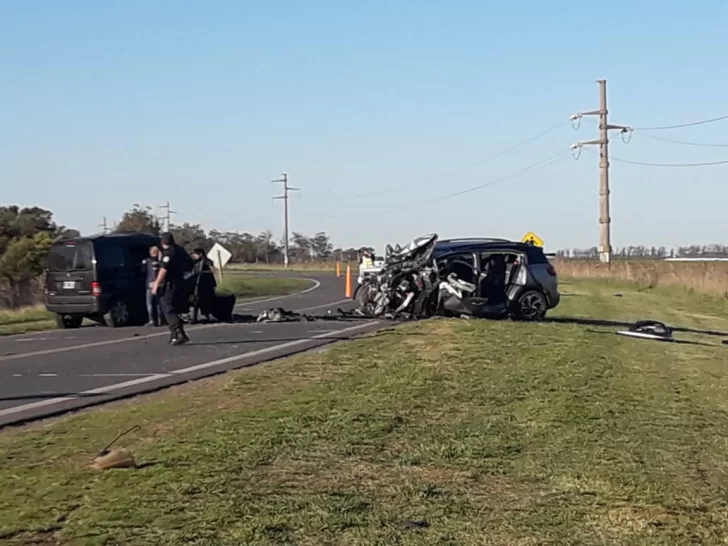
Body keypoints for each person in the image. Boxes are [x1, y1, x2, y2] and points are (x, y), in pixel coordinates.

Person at [151, 232, 190, 345]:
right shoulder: (180, 250)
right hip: (183, 282)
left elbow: (164, 270)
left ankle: (178, 331)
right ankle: (175, 334)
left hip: (171, 283)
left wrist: (156, 284)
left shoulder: (169, 253)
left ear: (162, 242)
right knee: (172, 307)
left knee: (168, 307)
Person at [190, 248, 217, 323]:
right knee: (196, 300)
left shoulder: (207, 261)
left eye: (195, 254)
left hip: (207, 284)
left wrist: (203, 272)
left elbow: (213, 271)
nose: (194, 256)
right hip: (198, 284)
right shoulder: (195, 262)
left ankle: (206, 316)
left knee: (206, 300)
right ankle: (194, 318)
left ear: (200, 254)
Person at [142, 245, 165, 326]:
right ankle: (160, 320)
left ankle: (151, 320)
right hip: (159, 283)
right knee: (158, 303)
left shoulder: (147, 261)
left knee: (149, 303)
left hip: (150, 283)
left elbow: (143, 270)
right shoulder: (161, 262)